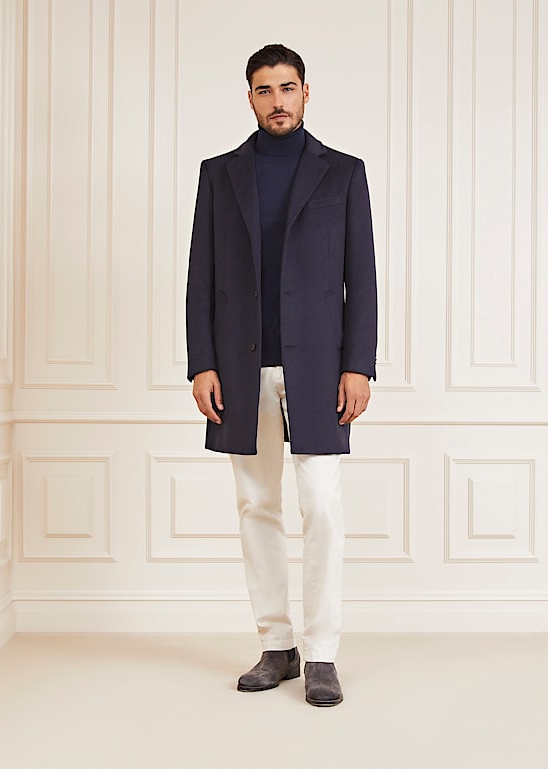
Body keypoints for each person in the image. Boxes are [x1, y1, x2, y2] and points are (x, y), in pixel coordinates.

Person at [186, 43, 377, 707]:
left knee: (321, 505)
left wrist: (358, 365)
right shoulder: (219, 175)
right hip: (240, 367)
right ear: (249, 97)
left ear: (305, 92)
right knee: (256, 506)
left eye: (287, 87)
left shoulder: (343, 173)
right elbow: (201, 278)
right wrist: (201, 362)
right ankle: (276, 644)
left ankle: (321, 651)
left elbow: (361, 279)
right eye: (264, 89)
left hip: (319, 367)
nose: (277, 100)